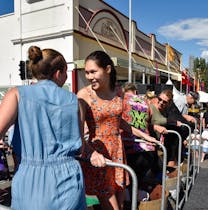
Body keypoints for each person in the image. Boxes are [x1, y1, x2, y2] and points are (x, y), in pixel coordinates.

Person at [0, 46, 106, 210]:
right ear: (58, 73)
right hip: (68, 180)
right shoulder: (74, 101)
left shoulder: (16, 94)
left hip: (30, 180)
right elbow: (79, 148)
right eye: (65, 72)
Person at [77, 51, 156, 210]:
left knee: (120, 201)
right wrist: (91, 153)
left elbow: (121, 123)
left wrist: (145, 137)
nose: (89, 76)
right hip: (98, 153)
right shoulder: (83, 95)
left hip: (118, 151)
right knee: (112, 206)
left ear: (107, 69)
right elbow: (77, 135)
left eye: (93, 71)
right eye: (87, 72)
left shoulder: (119, 91)